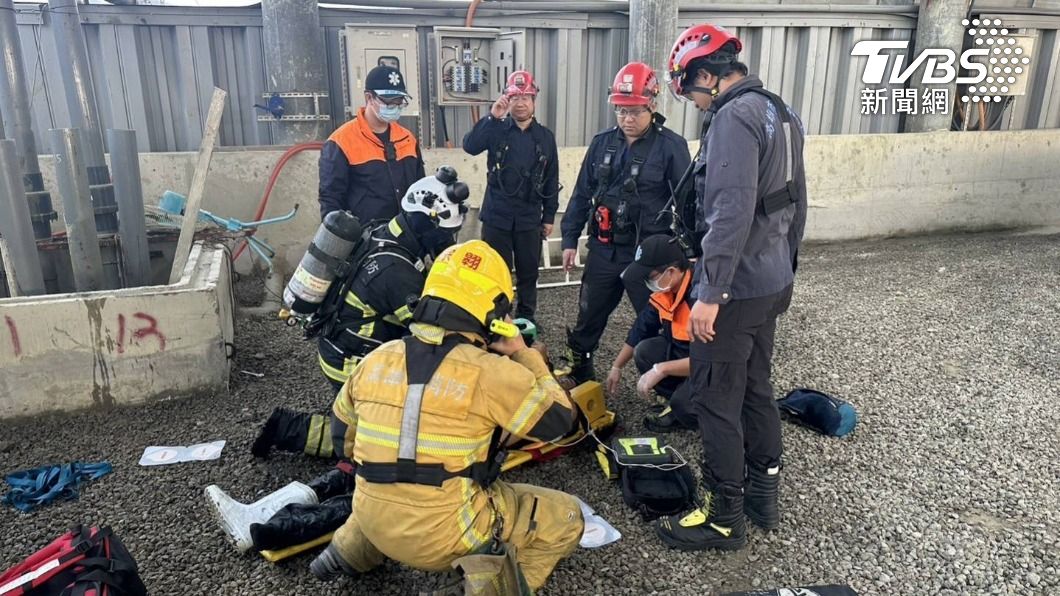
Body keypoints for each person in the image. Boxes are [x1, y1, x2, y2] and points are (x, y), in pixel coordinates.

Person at [310, 240, 584, 591]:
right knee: (566, 516)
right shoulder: (491, 374)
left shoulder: (377, 359)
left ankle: (348, 551)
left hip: (372, 516)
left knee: (384, 486)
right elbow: (562, 421)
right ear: (495, 313)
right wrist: (524, 354)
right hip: (444, 538)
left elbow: (342, 441)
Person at [653, 24, 807, 552]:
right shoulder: (780, 111)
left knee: (717, 397)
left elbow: (730, 211)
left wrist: (709, 293)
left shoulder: (733, 118)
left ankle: (724, 516)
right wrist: (789, 267)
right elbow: (795, 201)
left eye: (689, 92)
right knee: (757, 387)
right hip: (771, 281)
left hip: (736, 289)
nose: (693, 103)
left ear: (705, 76)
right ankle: (763, 496)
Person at [253, 168, 469, 459]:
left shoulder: (383, 232)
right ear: (424, 224)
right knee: (391, 439)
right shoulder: (396, 271)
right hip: (351, 364)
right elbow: (432, 331)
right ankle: (290, 429)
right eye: (444, 234)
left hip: (339, 346)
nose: (447, 241)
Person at [559, 61, 691, 385]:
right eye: (621, 111)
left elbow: (689, 204)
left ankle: (671, 385)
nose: (627, 119)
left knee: (661, 320)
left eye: (634, 111)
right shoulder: (602, 143)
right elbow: (580, 194)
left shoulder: (671, 147)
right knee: (588, 315)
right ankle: (580, 369)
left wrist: (692, 252)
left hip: (648, 258)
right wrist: (568, 240)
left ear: (652, 105)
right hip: (604, 248)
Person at [463, 70, 560, 323]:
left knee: (529, 273)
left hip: (529, 217)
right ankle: (499, 317)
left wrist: (549, 216)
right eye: (515, 97)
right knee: (496, 272)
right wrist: (492, 117)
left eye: (526, 97)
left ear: (534, 100)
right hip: (498, 216)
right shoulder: (496, 130)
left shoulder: (545, 137)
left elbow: (551, 178)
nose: (521, 103)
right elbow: (470, 146)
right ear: (507, 99)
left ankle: (526, 317)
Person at [606, 234, 698, 433]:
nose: (647, 282)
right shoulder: (666, 292)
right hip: (686, 357)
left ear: (671, 272)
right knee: (644, 351)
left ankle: (698, 411)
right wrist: (616, 366)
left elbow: (710, 361)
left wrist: (661, 369)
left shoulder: (699, 300)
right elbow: (640, 329)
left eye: (650, 276)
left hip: (715, 369)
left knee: (686, 406)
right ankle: (680, 399)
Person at [319, 65, 425, 223]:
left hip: (407, 237)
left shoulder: (407, 138)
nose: (395, 108)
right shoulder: (341, 142)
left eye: (399, 103)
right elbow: (331, 200)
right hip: (365, 240)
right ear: (369, 98)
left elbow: (420, 189)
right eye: (389, 103)